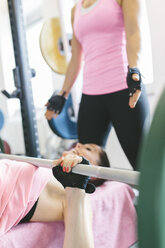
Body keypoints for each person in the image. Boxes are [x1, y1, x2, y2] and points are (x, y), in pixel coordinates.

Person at [45, 0, 150, 170]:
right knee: (82, 167)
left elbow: (133, 33)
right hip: (91, 95)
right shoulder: (76, 10)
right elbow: (75, 58)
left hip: (124, 88)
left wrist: (134, 71)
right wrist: (62, 95)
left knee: (144, 166)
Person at [0, 143, 110, 248]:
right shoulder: (47, 169)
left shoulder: (79, 195)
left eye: (88, 149)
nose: (78, 144)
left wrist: (76, 189)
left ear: (93, 175)